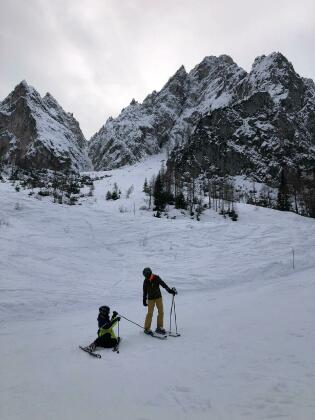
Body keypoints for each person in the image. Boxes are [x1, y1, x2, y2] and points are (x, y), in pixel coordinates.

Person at [142, 267, 177, 335]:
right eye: (145, 276)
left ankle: (159, 327)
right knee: (150, 313)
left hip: (158, 297)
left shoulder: (156, 278)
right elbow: (145, 291)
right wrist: (144, 299)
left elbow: (163, 285)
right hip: (150, 299)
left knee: (161, 312)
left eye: (146, 275)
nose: (146, 277)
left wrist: (170, 291)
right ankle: (147, 328)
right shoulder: (146, 281)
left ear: (149, 273)